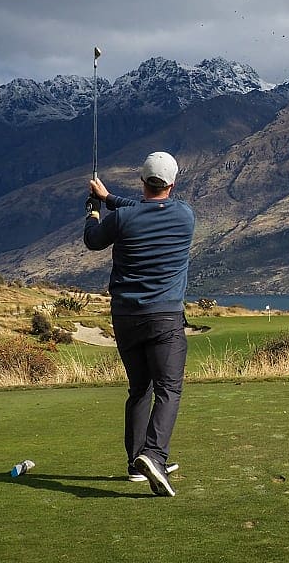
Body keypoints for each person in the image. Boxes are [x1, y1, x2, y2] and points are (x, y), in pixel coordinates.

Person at [83, 151, 195, 497]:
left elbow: (93, 240)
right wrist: (110, 198)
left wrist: (96, 209)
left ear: (142, 181)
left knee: (140, 389)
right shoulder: (185, 216)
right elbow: (146, 207)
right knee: (169, 389)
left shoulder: (123, 220)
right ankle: (155, 456)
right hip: (165, 317)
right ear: (173, 184)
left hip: (126, 318)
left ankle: (136, 464)